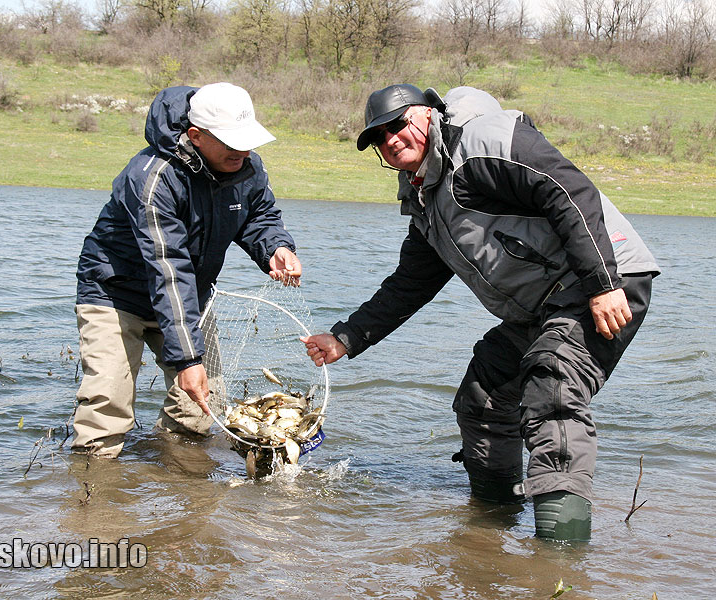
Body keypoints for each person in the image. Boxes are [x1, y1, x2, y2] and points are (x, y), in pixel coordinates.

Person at [301, 84, 659, 541]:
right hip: (542, 307)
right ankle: (491, 527)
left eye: (397, 125)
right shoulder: (428, 199)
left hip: (605, 282)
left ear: (428, 115)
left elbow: (569, 190)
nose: (390, 140)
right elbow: (409, 285)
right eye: (378, 138)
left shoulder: (482, 143)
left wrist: (602, 282)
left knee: (551, 387)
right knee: (483, 395)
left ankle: (560, 558)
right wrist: (346, 338)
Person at [73, 82, 301, 458]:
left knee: (199, 409)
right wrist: (188, 360)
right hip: (116, 295)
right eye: (230, 143)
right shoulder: (152, 178)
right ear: (195, 136)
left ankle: (181, 485)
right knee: (107, 409)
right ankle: (95, 505)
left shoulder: (246, 166)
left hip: (188, 296)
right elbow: (168, 268)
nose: (242, 151)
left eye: (246, 141)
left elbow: (259, 215)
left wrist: (275, 247)